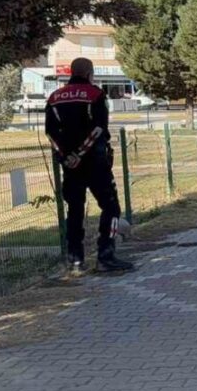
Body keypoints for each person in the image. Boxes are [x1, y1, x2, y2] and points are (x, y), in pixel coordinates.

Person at [45, 58, 134, 274]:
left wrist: (67, 156)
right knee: (112, 208)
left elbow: (50, 132)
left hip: (70, 167)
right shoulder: (95, 95)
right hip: (96, 163)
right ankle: (106, 256)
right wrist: (81, 153)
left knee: (74, 211)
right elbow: (98, 129)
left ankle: (75, 261)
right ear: (89, 74)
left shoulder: (55, 98)